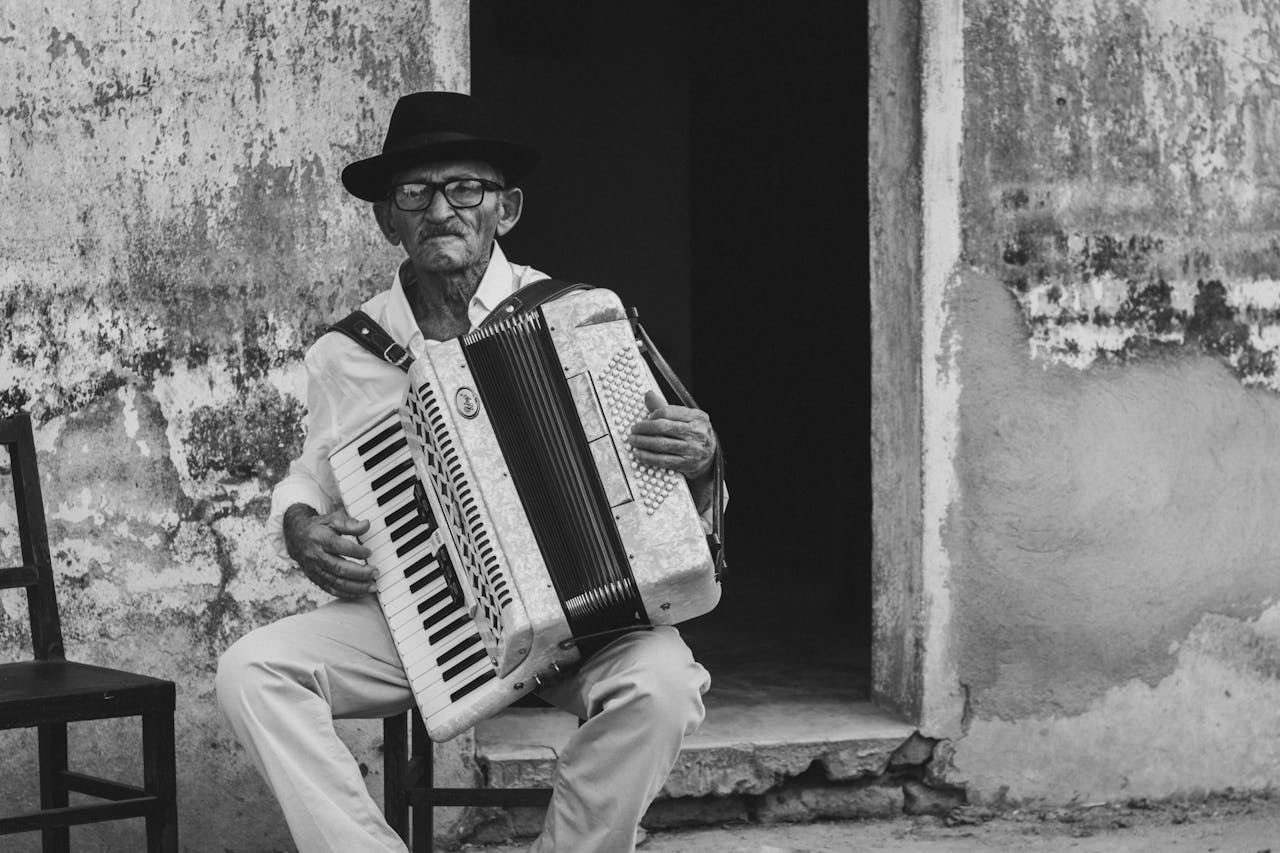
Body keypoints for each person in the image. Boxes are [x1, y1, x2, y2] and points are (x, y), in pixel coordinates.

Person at [215, 91, 721, 853]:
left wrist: (701, 454)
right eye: (413, 193)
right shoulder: (347, 352)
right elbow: (308, 476)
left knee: (667, 685)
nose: (439, 209)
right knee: (252, 669)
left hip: (594, 626)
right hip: (436, 623)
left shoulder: (583, 317)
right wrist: (301, 526)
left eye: (465, 188)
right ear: (389, 219)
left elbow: (683, 463)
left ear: (506, 209)